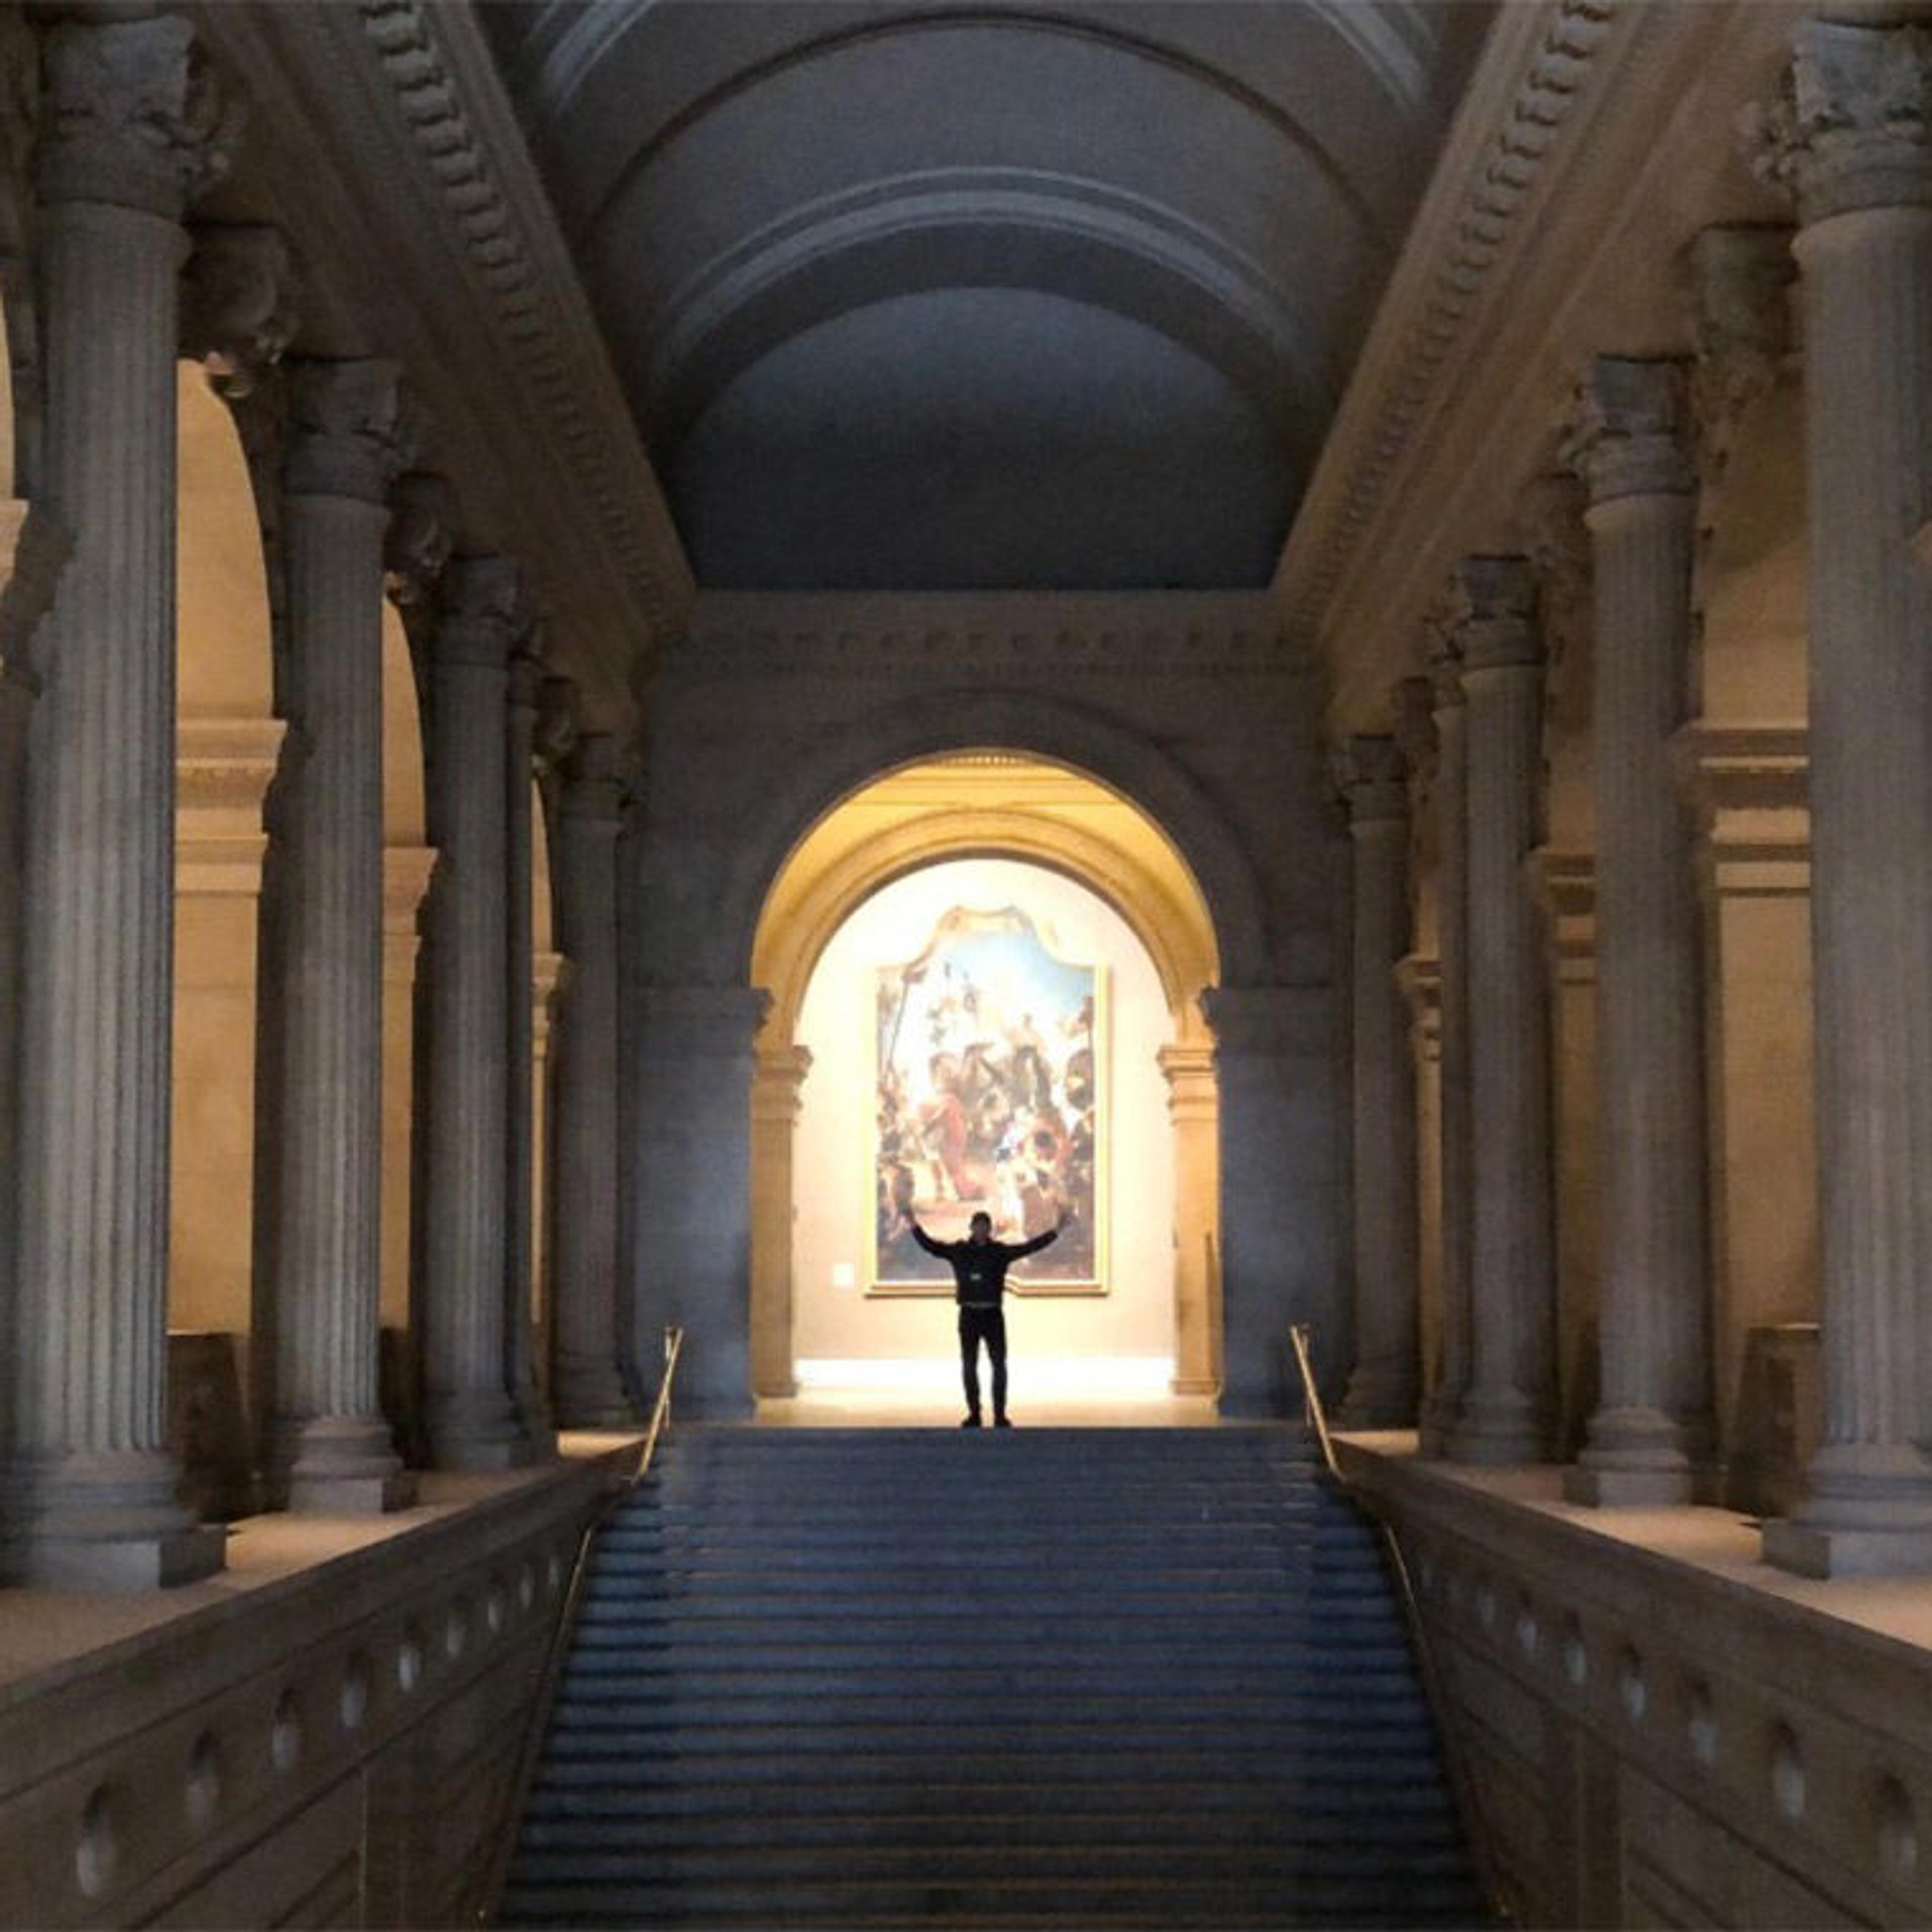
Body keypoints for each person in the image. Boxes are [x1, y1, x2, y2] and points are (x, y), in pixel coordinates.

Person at [903, 1205, 1067, 1427]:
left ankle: (1000, 1415)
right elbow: (931, 1247)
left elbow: (1030, 1248)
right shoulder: (960, 1251)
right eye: (978, 1226)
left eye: (985, 1226)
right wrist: (913, 1225)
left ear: (989, 1230)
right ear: (972, 1228)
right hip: (969, 1313)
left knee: (999, 1364)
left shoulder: (999, 1252)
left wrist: (1056, 1231)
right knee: (969, 1365)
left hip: (992, 1314)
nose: (981, 1230)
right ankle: (974, 1413)